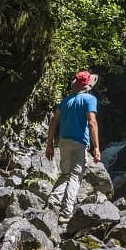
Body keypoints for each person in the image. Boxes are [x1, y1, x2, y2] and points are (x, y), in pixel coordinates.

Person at [45, 70, 101, 224]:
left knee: (65, 174)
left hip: (63, 142)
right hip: (79, 143)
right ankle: (66, 212)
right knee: (75, 177)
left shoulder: (66, 101)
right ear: (88, 85)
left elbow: (54, 121)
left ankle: (52, 202)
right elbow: (92, 122)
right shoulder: (90, 99)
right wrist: (96, 147)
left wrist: (49, 144)